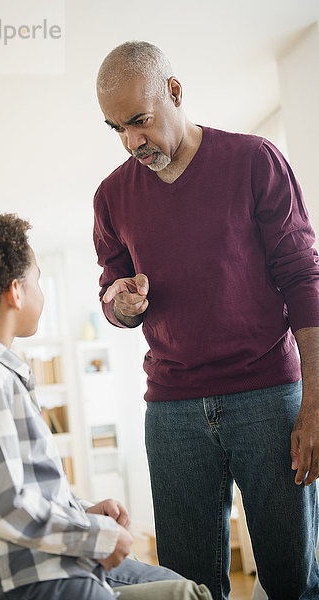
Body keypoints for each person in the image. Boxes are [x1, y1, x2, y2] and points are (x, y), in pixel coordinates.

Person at [93, 41, 319, 600]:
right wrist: (119, 305)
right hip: (170, 410)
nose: (130, 142)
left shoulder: (254, 160)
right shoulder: (111, 196)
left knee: (294, 578)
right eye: (116, 128)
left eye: (139, 122)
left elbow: (304, 280)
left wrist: (314, 402)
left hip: (268, 395)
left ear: (173, 91)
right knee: (186, 585)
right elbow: (110, 289)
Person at [0, 208, 212, 600]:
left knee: (187, 591)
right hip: (33, 584)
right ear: (15, 291)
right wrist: (95, 536)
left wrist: (80, 514)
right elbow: (2, 508)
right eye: (38, 279)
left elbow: (12, 490)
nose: (43, 290)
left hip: (46, 573)